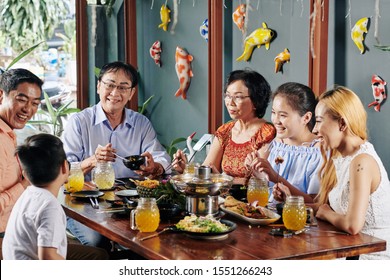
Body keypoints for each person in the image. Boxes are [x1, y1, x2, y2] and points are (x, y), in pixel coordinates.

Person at [63, 61, 170, 250]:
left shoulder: (141, 123)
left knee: (147, 239)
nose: (115, 93)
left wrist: (154, 167)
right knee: (98, 242)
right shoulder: (79, 122)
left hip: (127, 203)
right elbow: (62, 170)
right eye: (110, 85)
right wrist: (92, 161)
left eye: (122, 87)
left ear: (131, 93)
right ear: (98, 86)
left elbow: (161, 158)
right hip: (84, 204)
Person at [2, 134, 108, 260]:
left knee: (99, 255)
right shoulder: (49, 206)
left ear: (26, 174)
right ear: (65, 167)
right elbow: (47, 257)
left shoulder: (28, 193)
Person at [313, 86, 390, 260]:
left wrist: (326, 213)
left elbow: (352, 225)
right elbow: (327, 208)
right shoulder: (344, 157)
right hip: (351, 250)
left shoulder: (362, 162)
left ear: (342, 123)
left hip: (372, 258)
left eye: (318, 121)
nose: (314, 130)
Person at [174, 69, 275, 184]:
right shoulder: (225, 130)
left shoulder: (267, 133)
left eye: (238, 97)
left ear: (256, 101)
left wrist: (221, 179)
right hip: (224, 199)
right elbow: (207, 170)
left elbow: (261, 181)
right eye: (227, 96)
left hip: (254, 199)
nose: (230, 102)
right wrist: (185, 169)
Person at [245, 82, 322, 203]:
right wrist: (258, 173)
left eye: (283, 115)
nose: (275, 120)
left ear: (306, 118)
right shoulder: (277, 143)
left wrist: (276, 177)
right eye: (273, 112)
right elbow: (268, 191)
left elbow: (315, 203)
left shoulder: (318, 151)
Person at [0, 68, 43, 259]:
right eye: (21, 99)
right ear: (1, 95)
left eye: (35, 103)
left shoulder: (8, 133)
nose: (28, 109)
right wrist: (24, 184)